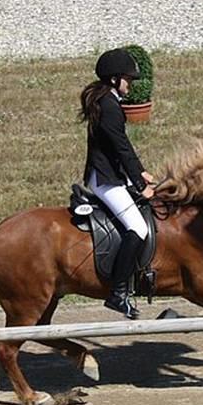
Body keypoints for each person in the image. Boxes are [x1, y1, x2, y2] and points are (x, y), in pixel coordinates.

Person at [79, 48, 155, 320]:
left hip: (110, 174)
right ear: (114, 80)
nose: (130, 84)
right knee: (137, 227)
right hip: (105, 180)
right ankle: (118, 292)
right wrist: (139, 183)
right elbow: (121, 148)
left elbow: (123, 149)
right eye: (127, 79)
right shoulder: (110, 106)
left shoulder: (107, 101)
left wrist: (141, 172)